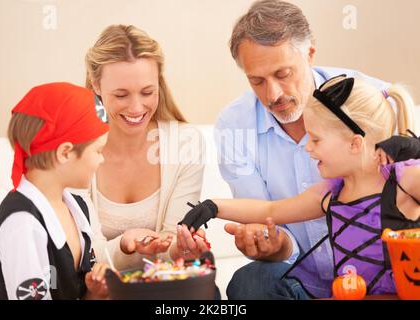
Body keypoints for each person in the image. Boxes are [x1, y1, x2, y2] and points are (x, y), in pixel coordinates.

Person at [214, 0, 395, 299]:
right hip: (300, 279)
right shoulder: (234, 125)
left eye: (283, 74)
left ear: (310, 53)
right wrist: (276, 245)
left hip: (377, 275)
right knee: (251, 282)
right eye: (257, 81)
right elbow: (267, 215)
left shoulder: (373, 102)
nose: (273, 95)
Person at [180, 75, 420, 298]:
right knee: (250, 281)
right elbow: (271, 211)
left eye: (316, 139)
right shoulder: (331, 193)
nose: (308, 147)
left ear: (355, 144)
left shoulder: (403, 181)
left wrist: (416, 148)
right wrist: (213, 206)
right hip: (347, 294)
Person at [82, 24, 208, 271]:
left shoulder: (185, 144)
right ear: (96, 85)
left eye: (147, 92)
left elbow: (174, 240)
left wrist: (183, 247)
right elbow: (81, 254)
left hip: (164, 287)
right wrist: (125, 246)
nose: (137, 108)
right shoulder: (76, 151)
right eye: (121, 95)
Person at [0, 82, 110, 300]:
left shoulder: (76, 209)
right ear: (65, 153)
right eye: (98, 151)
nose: (102, 159)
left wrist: (95, 292)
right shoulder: (23, 223)